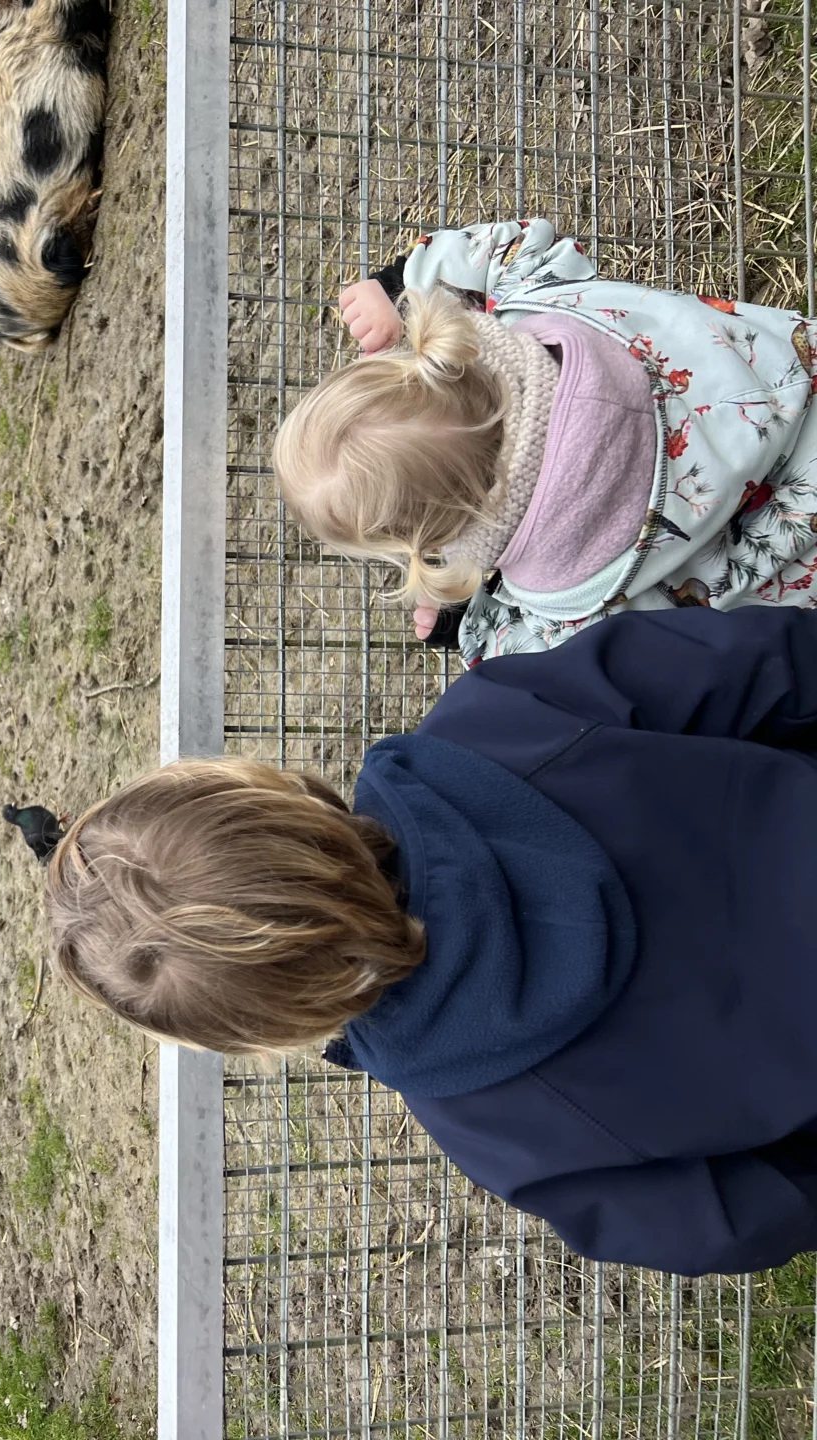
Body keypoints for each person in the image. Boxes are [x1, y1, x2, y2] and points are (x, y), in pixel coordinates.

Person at [44, 606, 817, 1276]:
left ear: (263, 1027)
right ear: (266, 792)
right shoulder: (496, 721)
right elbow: (757, 663)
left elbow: (736, 1222)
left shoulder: (500, 1136)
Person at [274, 218, 817, 663]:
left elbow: (513, 662)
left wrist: (462, 615)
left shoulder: (559, 607)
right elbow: (505, 247)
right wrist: (400, 286)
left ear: (424, 542)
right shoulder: (538, 298)